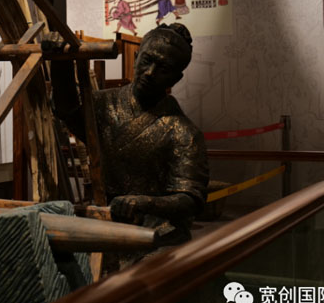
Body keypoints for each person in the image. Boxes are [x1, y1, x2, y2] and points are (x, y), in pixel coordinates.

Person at [45, 23, 208, 254]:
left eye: (163, 68)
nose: (150, 72)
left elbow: (191, 199)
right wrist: (59, 61)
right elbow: (67, 110)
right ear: (136, 57)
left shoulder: (183, 132)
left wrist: (143, 203)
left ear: (176, 78)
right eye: (147, 60)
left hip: (156, 230)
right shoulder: (102, 105)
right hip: (104, 219)